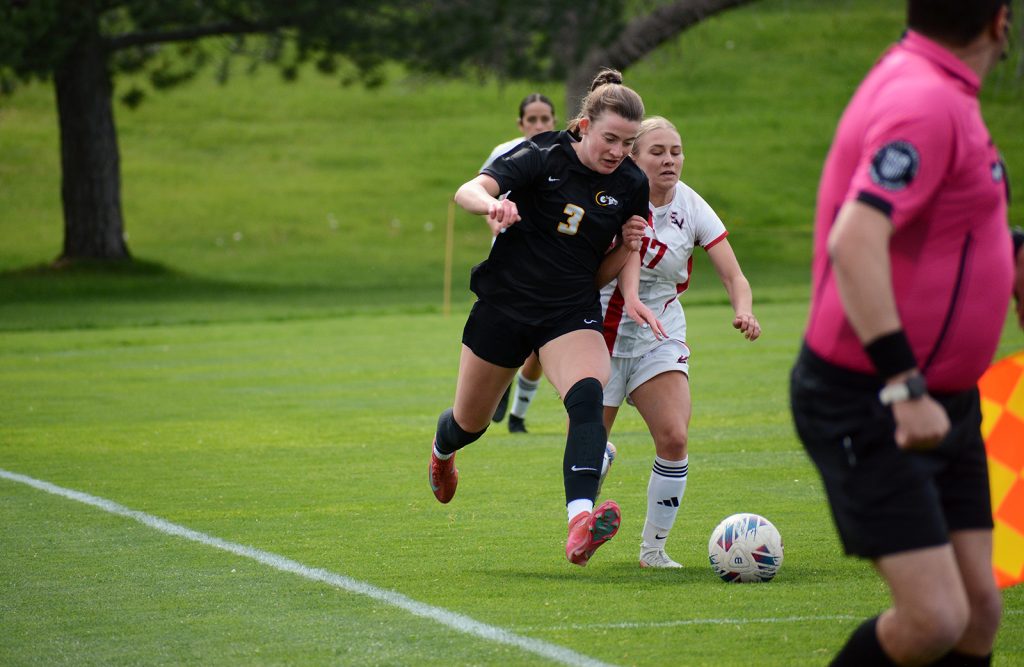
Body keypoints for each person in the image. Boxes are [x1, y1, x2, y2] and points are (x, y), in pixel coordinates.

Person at [789, 2, 1018, 664]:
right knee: (935, 617)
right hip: (875, 396)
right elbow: (855, 239)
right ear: (1000, 22)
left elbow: (953, 229)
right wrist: (902, 382)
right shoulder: (924, 98)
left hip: (944, 396)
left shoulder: (942, 88)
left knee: (978, 614)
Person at [428, 69, 662, 566]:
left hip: (568, 310)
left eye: (627, 142)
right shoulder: (540, 156)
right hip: (505, 305)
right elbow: (467, 190)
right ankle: (443, 452)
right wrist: (493, 205)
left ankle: (580, 520)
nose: (618, 151)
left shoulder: (631, 184)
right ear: (582, 126)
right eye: (610, 139)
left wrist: (628, 255)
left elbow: (614, 262)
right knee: (470, 424)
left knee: (586, 395)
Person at [600, 117, 760, 569]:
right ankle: (595, 475)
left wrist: (743, 309)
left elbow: (733, 274)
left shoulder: (691, 205)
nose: (669, 159)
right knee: (587, 457)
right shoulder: (611, 198)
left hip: (659, 334)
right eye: (657, 151)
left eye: (676, 150)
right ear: (634, 157)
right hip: (601, 334)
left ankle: (653, 551)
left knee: (674, 438)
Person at [480, 93, 558, 434]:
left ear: (554, 121)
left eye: (545, 119)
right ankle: (500, 383)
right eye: (533, 120)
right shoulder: (505, 152)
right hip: (510, 261)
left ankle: (516, 417)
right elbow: (485, 197)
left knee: (539, 349)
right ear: (521, 123)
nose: (540, 125)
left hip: (548, 261)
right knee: (511, 338)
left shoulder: (563, 153)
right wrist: (494, 219)